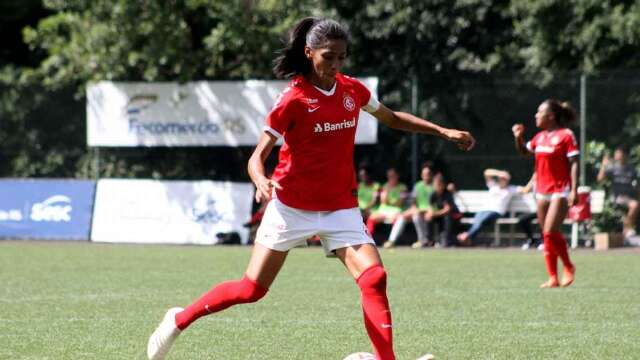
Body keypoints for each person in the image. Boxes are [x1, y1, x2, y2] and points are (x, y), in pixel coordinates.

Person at [146, 17, 475, 360]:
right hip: (291, 207)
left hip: (340, 207)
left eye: (342, 57)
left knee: (375, 277)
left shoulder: (352, 90)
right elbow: (258, 156)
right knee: (251, 290)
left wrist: (442, 131)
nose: (335, 65)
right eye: (328, 56)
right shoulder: (292, 99)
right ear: (309, 52)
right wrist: (260, 179)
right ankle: (178, 319)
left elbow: (391, 118)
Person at [512, 99, 578, 288]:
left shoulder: (566, 135)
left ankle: (568, 266)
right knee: (546, 234)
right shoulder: (539, 137)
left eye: (539, 112)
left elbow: (574, 163)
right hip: (541, 190)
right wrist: (518, 137)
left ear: (550, 116)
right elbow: (525, 152)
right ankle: (552, 277)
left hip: (560, 189)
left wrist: (574, 190)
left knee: (550, 231)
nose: (535, 115)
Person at [456, 169, 517, 246]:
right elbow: (486, 173)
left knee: (480, 221)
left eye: (504, 179)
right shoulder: (494, 186)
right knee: (477, 221)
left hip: (496, 211)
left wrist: (533, 179)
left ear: (508, 180)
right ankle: (468, 239)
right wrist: (500, 173)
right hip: (484, 210)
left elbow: (525, 190)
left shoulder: (511, 189)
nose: (502, 180)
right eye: (501, 178)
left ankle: (467, 236)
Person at [383, 163, 435, 249]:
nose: (426, 176)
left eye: (428, 174)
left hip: (429, 212)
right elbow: (414, 203)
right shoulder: (418, 185)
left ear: (431, 175)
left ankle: (422, 241)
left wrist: (420, 211)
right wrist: (414, 210)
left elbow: (434, 205)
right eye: (424, 174)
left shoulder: (434, 186)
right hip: (418, 211)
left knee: (416, 216)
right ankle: (391, 241)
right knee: (402, 217)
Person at [597, 147, 639, 239]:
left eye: (619, 153)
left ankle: (627, 232)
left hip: (630, 198)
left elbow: (637, 186)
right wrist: (603, 165)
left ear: (625, 155)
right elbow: (600, 179)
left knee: (635, 204)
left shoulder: (631, 169)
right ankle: (627, 229)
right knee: (635, 205)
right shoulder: (612, 168)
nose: (617, 155)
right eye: (616, 153)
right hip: (618, 197)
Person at [365, 168, 408, 240]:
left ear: (397, 176)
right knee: (372, 218)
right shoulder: (385, 186)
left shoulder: (403, 187)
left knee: (398, 219)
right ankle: (368, 239)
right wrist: (389, 197)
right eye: (389, 176)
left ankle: (391, 241)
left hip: (396, 211)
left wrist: (391, 201)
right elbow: (383, 201)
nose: (390, 178)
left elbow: (400, 202)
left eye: (392, 176)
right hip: (383, 211)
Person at [425, 173, 461, 247]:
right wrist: (430, 214)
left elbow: (447, 210)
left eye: (439, 184)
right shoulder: (432, 194)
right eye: (435, 184)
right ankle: (429, 240)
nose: (437, 186)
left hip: (452, 215)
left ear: (443, 185)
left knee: (447, 217)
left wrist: (435, 214)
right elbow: (430, 208)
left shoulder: (447, 194)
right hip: (440, 215)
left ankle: (447, 240)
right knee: (428, 217)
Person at [518, 172, 541, 250]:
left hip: (548, 210)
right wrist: (533, 179)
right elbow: (525, 190)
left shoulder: (548, 182)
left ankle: (544, 241)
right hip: (538, 211)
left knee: (543, 220)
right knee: (522, 219)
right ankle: (531, 240)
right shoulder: (535, 182)